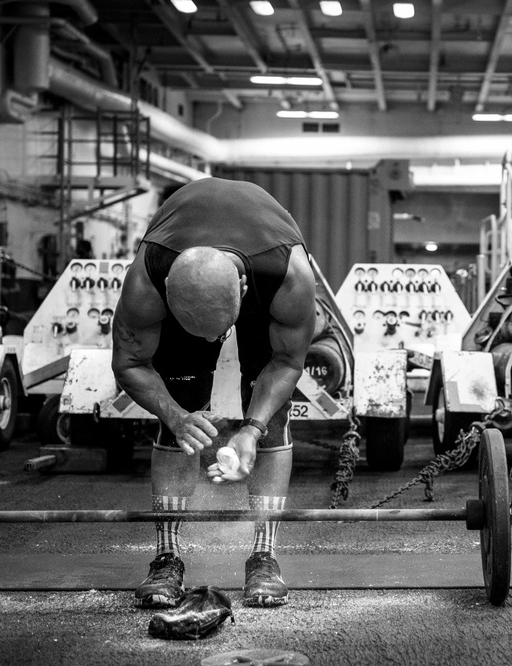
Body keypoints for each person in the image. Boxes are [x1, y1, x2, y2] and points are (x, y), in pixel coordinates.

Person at [111, 177, 316, 609]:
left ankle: (264, 557)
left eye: (218, 333)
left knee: (273, 417)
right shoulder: (146, 279)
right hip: (180, 267)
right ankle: (167, 558)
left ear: (241, 293)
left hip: (264, 267)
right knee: (181, 413)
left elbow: (288, 363)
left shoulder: (289, 275)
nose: (213, 343)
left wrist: (252, 429)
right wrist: (173, 413)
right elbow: (129, 363)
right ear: (167, 294)